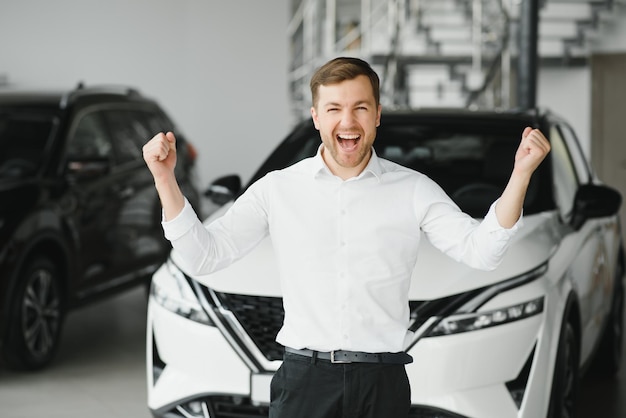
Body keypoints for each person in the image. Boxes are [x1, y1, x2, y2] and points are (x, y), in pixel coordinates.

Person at [142, 57, 551, 418]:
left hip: (382, 381)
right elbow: (204, 257)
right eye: (334, 108)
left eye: (360, 107)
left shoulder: (412, 188)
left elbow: (481, 251)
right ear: (316, 117)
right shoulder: (277, 188)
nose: (348, 121)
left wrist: (521, 174)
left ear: (376, 115)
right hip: (304, 380)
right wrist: (165, 178)